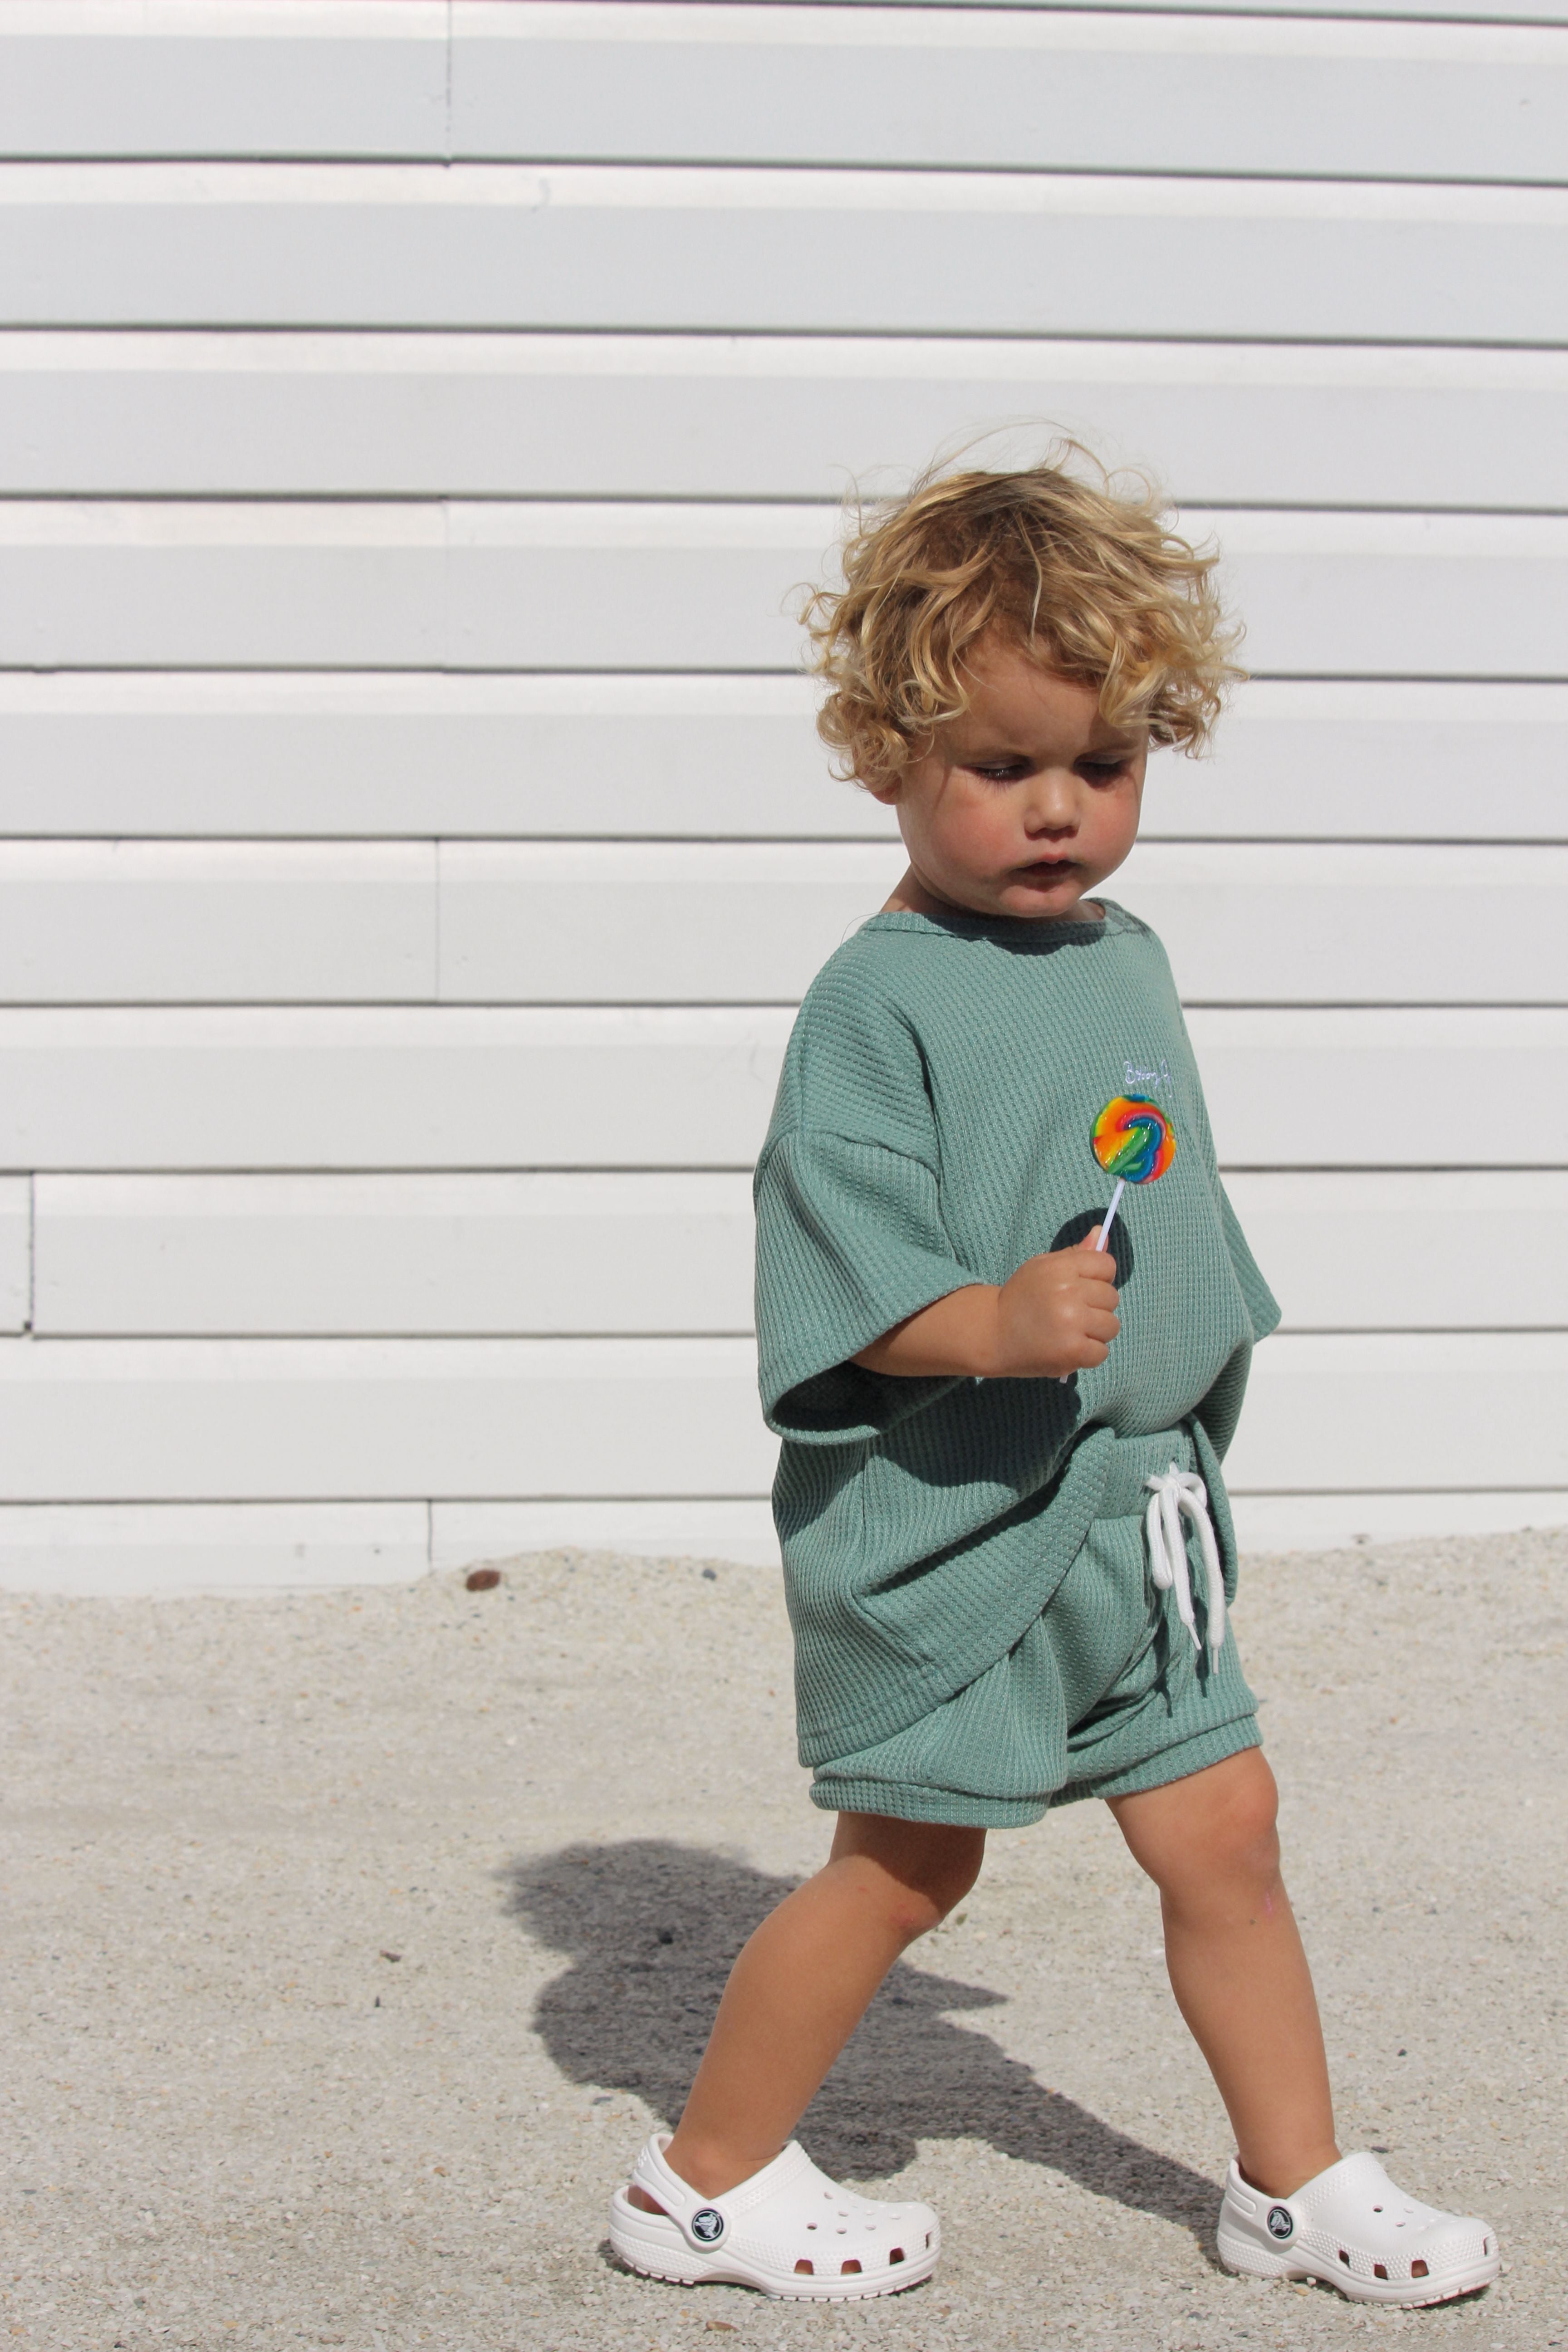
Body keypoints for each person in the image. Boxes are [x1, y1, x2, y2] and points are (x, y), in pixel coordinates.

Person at [608, 454, 1499, 2309]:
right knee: (907, 1870)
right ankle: (702, 2185)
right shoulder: (881, 1000)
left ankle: (1295, 2181)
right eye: (1002, 768)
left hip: (1128, 1518)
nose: (1057, 814)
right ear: (884, 754)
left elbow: (1154, 1204)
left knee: (1229, 1832)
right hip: (961, 1524)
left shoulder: (1130, 960)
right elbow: (831, 1272)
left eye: (1101, 770)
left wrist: (1172, 1384)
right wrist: (995, 1331)